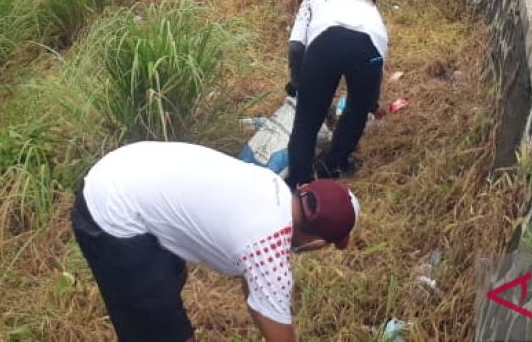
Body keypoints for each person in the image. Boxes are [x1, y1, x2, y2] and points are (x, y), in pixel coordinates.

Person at [72, 141, 360, 342]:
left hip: (125, 168)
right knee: (170, 336)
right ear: (318, 243)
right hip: (112, 213)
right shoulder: (268, 248)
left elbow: (259, 297)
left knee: (169, 286)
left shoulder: (270, 186)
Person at [285, 0, 388, 187]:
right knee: (356, 113)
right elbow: (376, 71)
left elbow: (296, 47)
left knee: (307, 120)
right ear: (371, 0)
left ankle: (300, 182)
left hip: (326, 44)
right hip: (369, 51)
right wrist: (371, 105)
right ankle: (333, 166)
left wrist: (298, 82)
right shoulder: (373, 14)